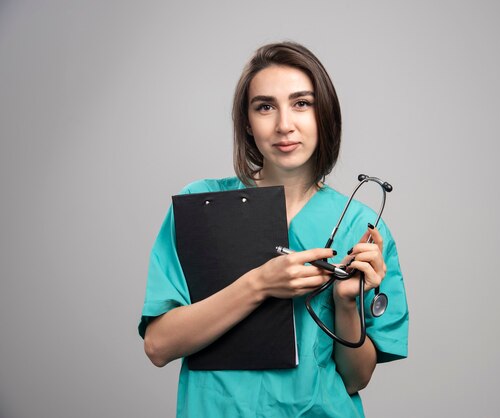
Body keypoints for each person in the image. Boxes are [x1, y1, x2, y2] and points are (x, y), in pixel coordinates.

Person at [139, 41, 409, 417]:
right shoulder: (200, 204)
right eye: (265, 107)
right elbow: (159, 345)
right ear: (247, 123)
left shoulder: (358, 225)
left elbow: (354, 379)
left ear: (325, 115)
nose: (284, 125)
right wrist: (260, 284)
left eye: (302, 103)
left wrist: (347, 303)